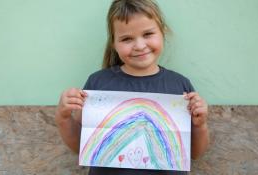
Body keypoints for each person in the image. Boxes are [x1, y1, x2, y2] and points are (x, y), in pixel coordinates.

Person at [55, 0, 209, 174]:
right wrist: (63, 118)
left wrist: (200, 125)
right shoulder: (98, 83)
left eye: (148, 34)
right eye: (127, 39)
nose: (140, 46)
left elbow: (195, 153)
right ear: (114, 43)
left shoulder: (180, 85)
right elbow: (80, 146)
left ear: (162, 32)